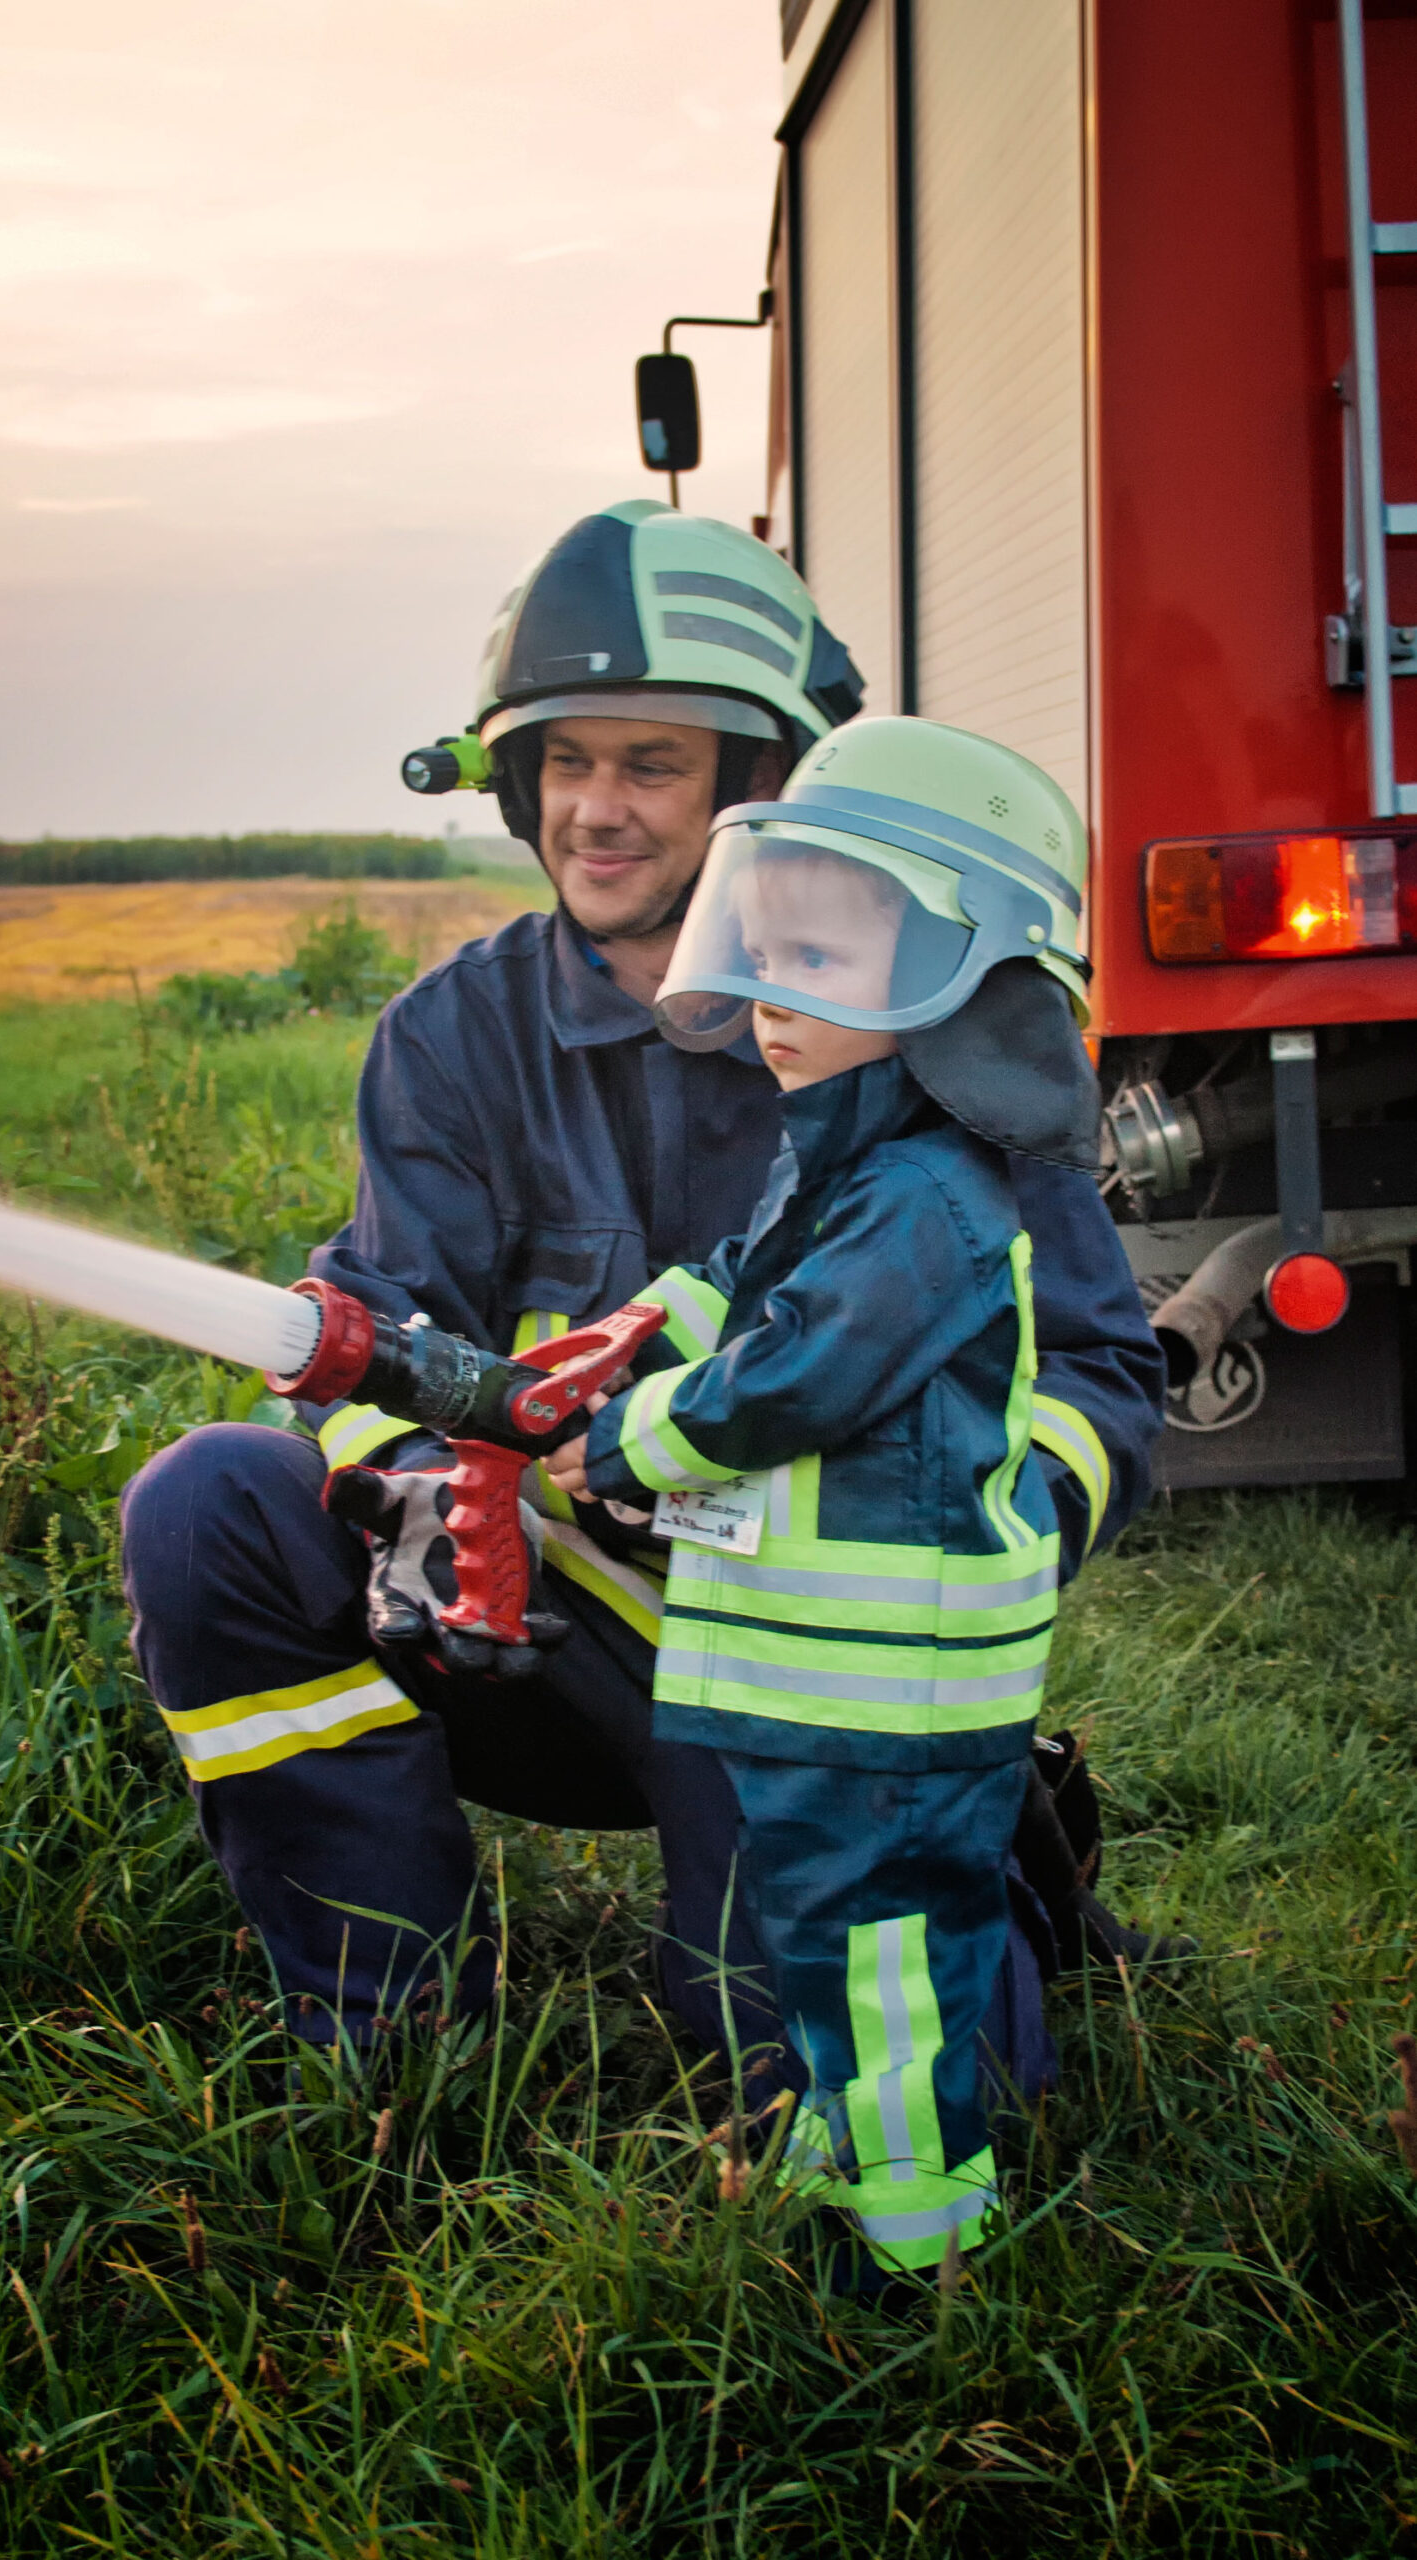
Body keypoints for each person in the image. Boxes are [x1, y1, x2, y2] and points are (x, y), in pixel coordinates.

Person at [121, 500, 1166, 2099]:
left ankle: (974, 1875)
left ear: (761, 789)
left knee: (841, 2069)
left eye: (651, 764)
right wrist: (405, 1490)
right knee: (208, 1505)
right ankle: (381, 2042)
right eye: (563, 761)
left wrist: (934, 1555)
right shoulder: (449, 1038)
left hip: (807, 1657)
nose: (593, 811)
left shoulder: (924, 1031)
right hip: (536, 1624)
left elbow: (1092, 1370)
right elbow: (368, 1326)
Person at [541, 714, 1085, 2279]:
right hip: (818, 1695)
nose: (772, 998)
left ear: (956, 985)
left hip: (892, 1702)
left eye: (822, 963)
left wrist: (642, 1436)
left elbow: (800, 1372)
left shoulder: (926, 1199)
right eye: (762, 946)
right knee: (822, 1963)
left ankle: (911, 2258)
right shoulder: (841, 1163)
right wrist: (631, 1337)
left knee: (890, 1975)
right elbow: (749, 1295)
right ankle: (839, 2159)